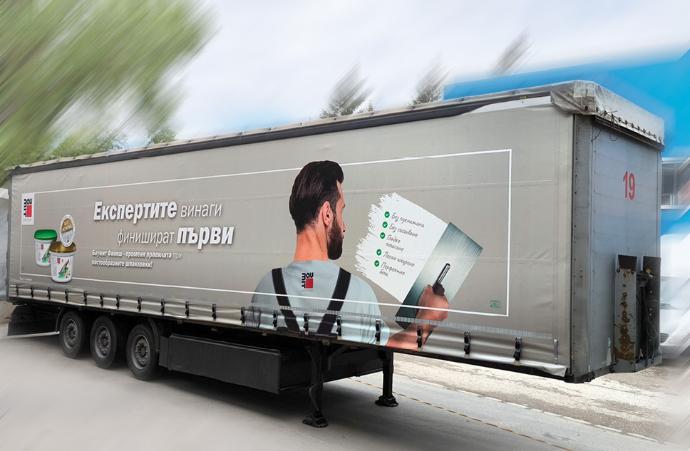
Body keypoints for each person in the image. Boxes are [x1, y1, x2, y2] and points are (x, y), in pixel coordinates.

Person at [249, 160, 448, 350]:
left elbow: (306, 283)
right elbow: (392, 347)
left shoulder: (266, 287)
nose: (344, 226)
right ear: (327, 214)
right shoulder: (359, 294)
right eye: (341, 211)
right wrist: (429, 317)